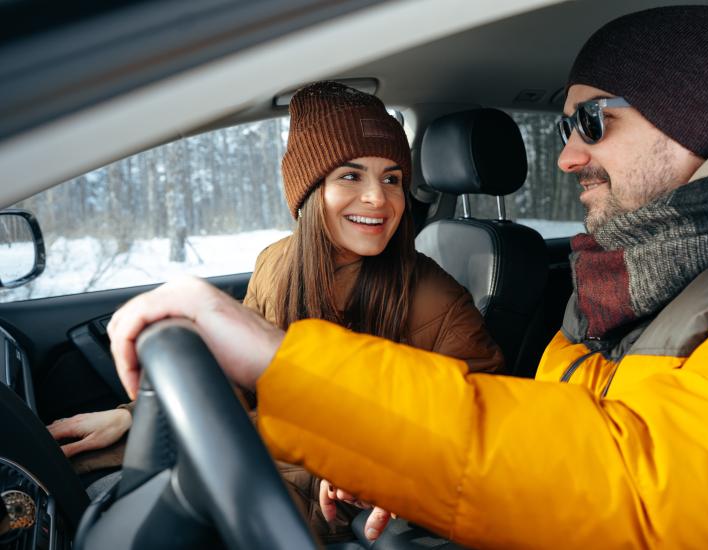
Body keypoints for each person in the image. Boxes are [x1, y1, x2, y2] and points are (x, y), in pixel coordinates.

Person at [107, 6, 708, 548]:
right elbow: (560, 436)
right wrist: (412, 476)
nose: (568, 152)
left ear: (691, 119)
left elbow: (650, 490)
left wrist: (275, 361)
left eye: (591, 120)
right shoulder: (621, 278)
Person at [49, 82, 503, 543]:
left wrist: (378, 464)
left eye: (391, 179)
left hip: (320, 508)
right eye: (350, 176)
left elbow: (480, 428)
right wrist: (136, 417)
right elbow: (234, 381)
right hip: (248, 465)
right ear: (309, 190)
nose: (377, 198)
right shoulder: (276, 263)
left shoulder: (438, 299)